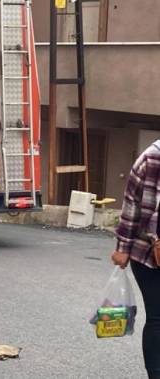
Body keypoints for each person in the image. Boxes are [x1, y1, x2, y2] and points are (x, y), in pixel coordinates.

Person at [112, 140, 160, 378]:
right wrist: (123, 247)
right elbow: (131, 205)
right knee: (158, 317)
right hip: (148, 253)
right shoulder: (151, 159)